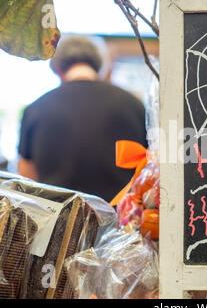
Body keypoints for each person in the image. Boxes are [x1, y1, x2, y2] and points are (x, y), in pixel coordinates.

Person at [18, 36, 148, 202]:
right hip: (120, 220)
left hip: (58, 222)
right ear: (99, 64)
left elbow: (27, 174)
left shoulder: (36, 108)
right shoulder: (133, 104)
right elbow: (149, 168)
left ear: (57, 68)